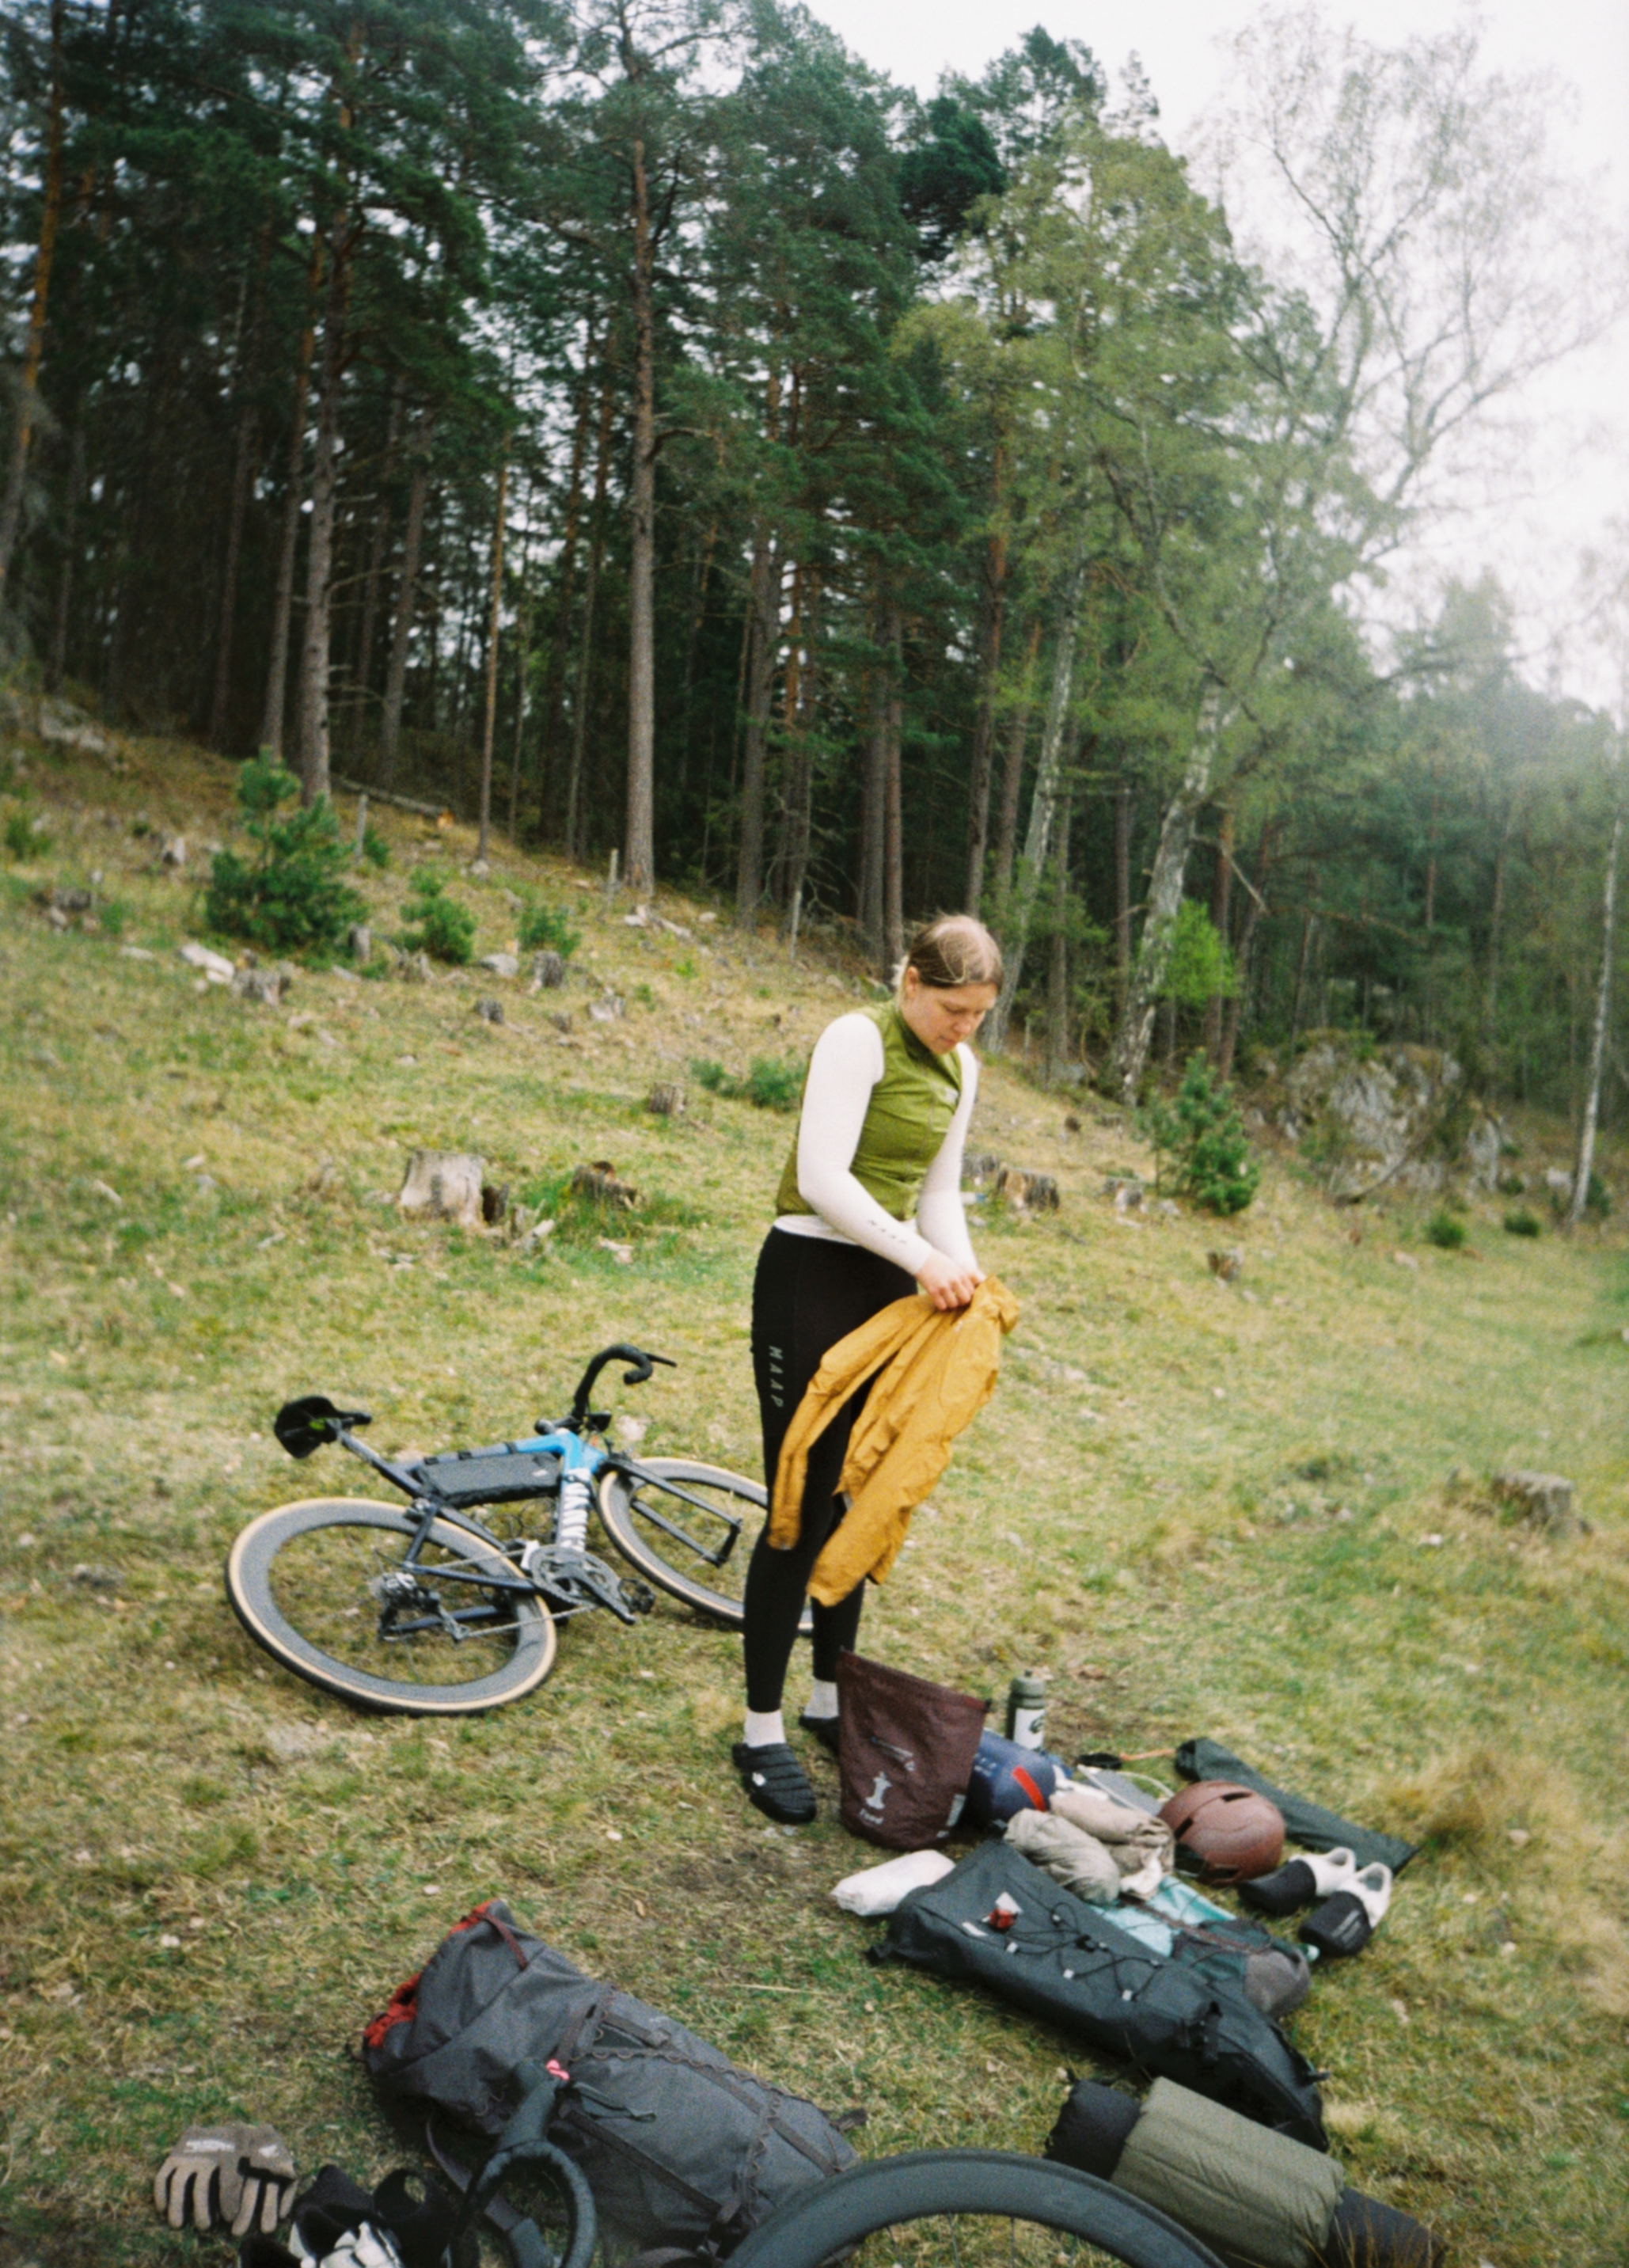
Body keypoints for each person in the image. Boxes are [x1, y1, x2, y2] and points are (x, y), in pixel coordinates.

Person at [733, 913, 1003, 1825]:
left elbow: (936, 1192)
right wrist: (921, 1259)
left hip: (892, 1282)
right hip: (810, 1270)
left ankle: (828, 1699)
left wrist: (962, 1274)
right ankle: (759, 1728)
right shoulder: (857, 1038)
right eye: (952, 1010)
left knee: (860, 1489)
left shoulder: (963, 1068)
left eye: (979, 1014)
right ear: (911, 983)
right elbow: (823, 1178)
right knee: (799, 1498)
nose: (962, 1028)